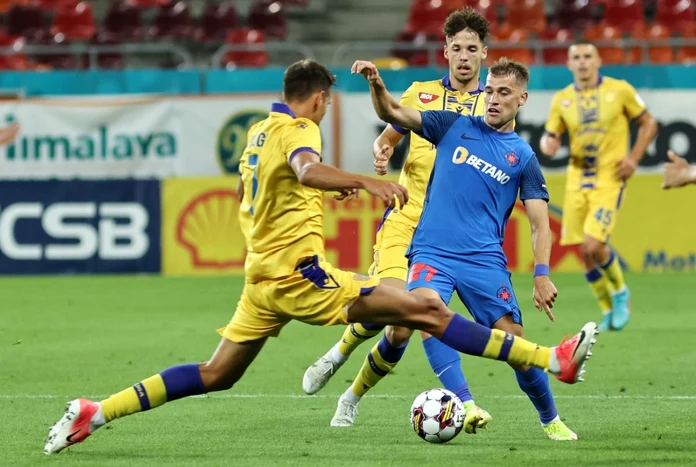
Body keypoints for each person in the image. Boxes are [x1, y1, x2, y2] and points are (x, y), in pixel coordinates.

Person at [44, 59, 597, 456]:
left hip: (259, 277)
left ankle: (97, 412)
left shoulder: (258, 131)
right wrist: (364, 183)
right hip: (302, 276)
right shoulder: (300, 128)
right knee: (424, 310)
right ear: (317, 99)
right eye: (328, 100)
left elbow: (266, 191)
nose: (327, 108)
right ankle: (553, 361)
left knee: (216, 373)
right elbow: (309, 169)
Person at [336, 57, 586, 441]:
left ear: (522, 98)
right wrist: (376, 85)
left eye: (504, 93)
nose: (493, 99)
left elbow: (540, 224)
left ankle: (550, 420)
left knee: (515, 343)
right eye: (489, 91)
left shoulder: (523, 157)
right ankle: (466, 404)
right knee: (424, 313)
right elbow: (395, 112)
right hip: (433, 251)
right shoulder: (452, 125)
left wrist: (541, 274)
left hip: (485, 261)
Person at [302, 7, 496, 433]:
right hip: (405, 217)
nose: (464, 56)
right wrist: (383, 147)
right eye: (457, 48)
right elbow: (392, 128)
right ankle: (338, 353)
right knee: (394, 300)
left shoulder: (493, 106)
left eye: (472, 49)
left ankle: (350, 397)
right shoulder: (420, 92)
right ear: (445, 51)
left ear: (484, 54)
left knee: (402, 327)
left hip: (448, 233)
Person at [539, 42, 657, 332]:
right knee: (585, 252)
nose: (582, 62)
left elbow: (649, 123)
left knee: (595, 244)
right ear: (569, 64)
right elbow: (549, 135)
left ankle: (619, 293)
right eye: (576, 58)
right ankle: (606, 310)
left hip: (609, 178)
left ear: (598, 60)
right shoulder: (562, 99)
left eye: (587, 57)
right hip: (577, 180)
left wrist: (633, 158)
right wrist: (548, 144)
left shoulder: (620, 90)